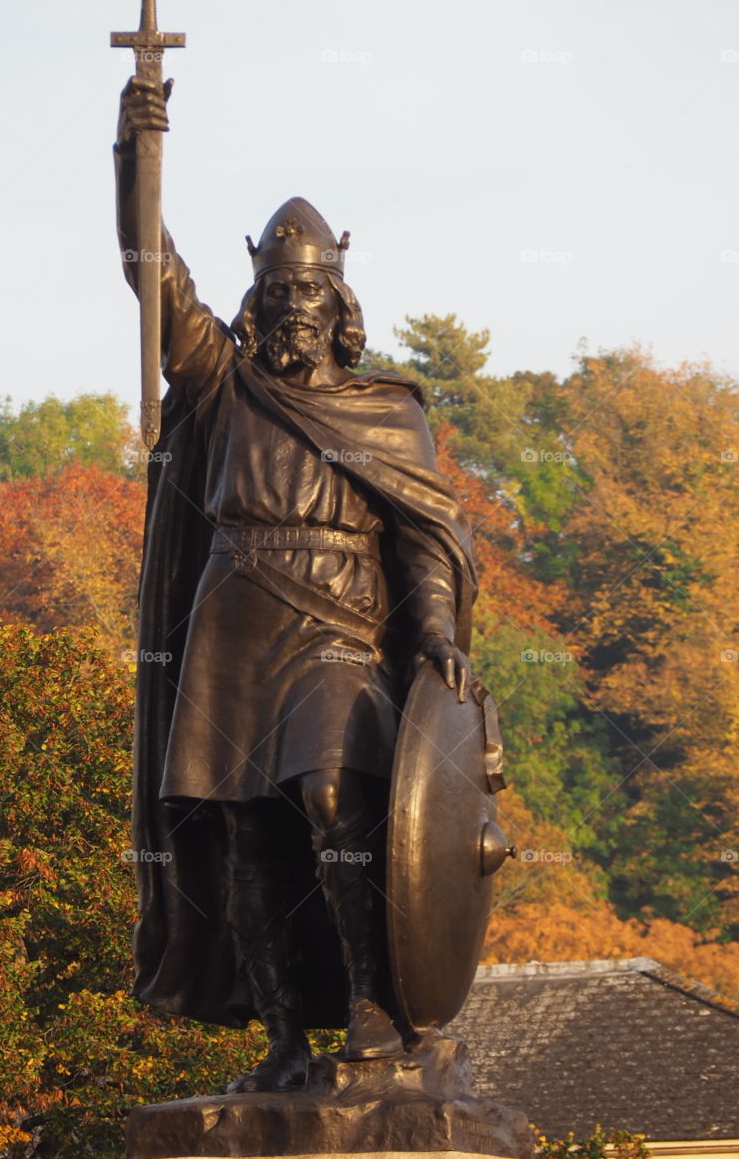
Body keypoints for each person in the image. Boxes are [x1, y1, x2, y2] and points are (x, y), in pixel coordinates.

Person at [116, 75, 478, 1093]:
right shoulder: (223, 379)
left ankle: (372, 996)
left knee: (327, 790)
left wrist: (442, 625)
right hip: (231, 622)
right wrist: (136, 154)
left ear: (339, 304)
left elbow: (422, 538)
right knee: (245, 827)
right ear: (258, 299)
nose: (292, 309)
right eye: (277, 294)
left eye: (309, 294)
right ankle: (280, 1037)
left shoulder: (387, 413)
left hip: (338, 628)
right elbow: (154, 275)